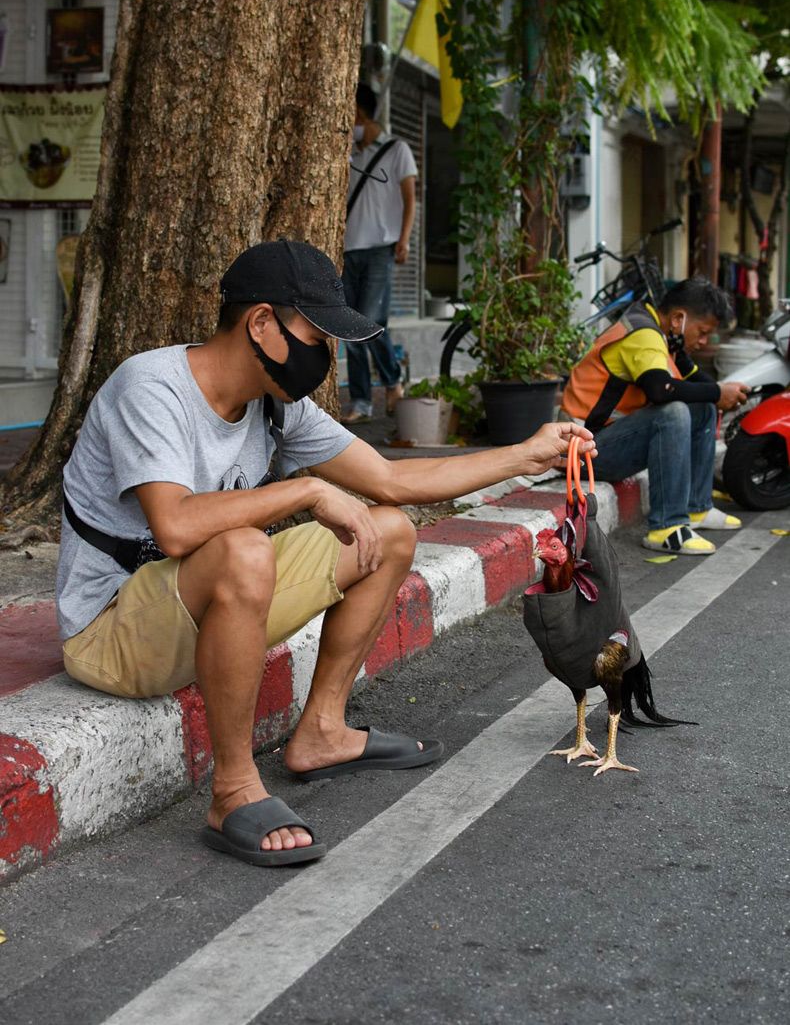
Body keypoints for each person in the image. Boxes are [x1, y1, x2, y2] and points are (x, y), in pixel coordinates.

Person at [56, 239, 596, 868]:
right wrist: (310, 489)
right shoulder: (152, 388)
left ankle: (323, 732)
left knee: (387, 530)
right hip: (112, 633)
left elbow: (393, 482)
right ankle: (232, 789)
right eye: (317, 335)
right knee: (242, 551)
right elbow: (174, 527)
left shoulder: (275, 408)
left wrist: (526, 455)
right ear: (261, 322)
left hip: (191, 613)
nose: (327, 355)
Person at [560, 276, 750, 556]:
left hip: (604, 441)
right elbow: (661, 390)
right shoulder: (643, 335)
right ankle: (666, 526)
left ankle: (697, 508)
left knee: (703, 407)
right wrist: (717, 391)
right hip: (583, 453)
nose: (703, 340)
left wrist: (719, 392)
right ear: (678, 319)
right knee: (671, 412)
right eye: (702, 331)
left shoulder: (658, 333)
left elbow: (695, 382)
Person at [340, 83, 416, 424]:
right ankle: (361, 401)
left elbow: (411, 199)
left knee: (369, 323)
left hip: (380, 250)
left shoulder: (397, 149)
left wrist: (404, 239)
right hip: (347, 250)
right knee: (348, 328)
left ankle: (391, 380)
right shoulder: (347, 152)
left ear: (361, 113)